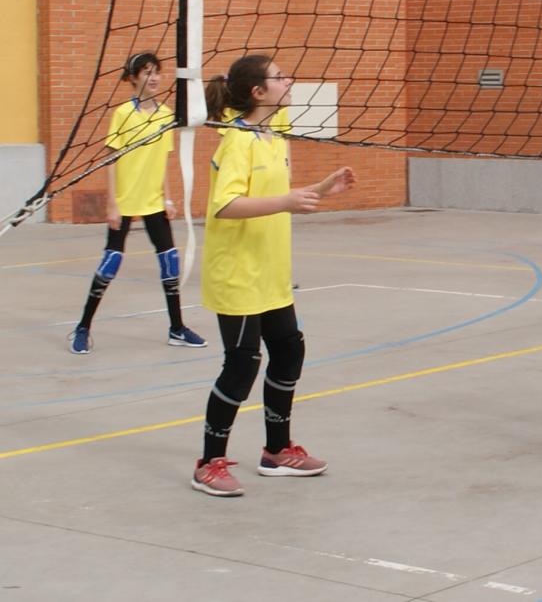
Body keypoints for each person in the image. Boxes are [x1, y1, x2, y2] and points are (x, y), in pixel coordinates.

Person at [191, 54, 356, 497]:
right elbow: (225, 206)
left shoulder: (274, 136)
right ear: (257, 93)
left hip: (271, 271)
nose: (289, 81)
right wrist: (286, 201)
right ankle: (209, 462)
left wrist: (322, 188)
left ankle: (277, 451)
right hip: (238, 274)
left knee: (288, 353)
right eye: (279, 77)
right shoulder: (236, 141)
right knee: (242, 365)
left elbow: (276, 195)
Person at [68, 52, 206, 354]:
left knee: (169, 261)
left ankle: (176, 328)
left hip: (154, 202)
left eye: (157, 72)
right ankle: (83, 327)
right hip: (126, 202)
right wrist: (112, 205)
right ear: (133, 78)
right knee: (110, 264)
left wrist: (168, 198)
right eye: (147, 73)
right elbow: (111, 159)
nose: (154, 77)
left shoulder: (166, 115)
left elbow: (163, 160)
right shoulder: (122, 114)